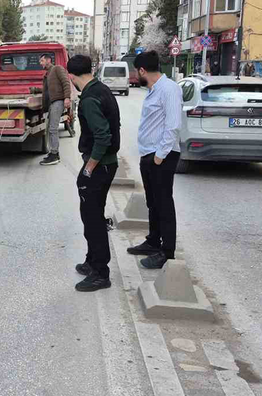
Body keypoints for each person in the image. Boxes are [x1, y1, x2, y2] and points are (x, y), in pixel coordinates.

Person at [67, 55, 121, 292]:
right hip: (106, 164)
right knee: (92, 214)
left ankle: (100, 273)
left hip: (99, 165)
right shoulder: (102, 89)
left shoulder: (89, 98)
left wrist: (89, 168)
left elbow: (103, 136)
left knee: (93, 220)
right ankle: (92, 261)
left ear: (71, 76)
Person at [127, 51, 183, 269]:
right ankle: (153, 241)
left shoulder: (169, 89)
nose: (135, 74)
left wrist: (160, 156)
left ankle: (167, 252)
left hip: (162, 155)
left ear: (142, 70)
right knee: (153, 202)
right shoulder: (153, 90)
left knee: (164, 204)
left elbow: (173, 125)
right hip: (149, 154)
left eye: (135, 70)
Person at [39, 53, 71, 166]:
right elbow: (46, 91)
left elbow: (66, 82)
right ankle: (53, 152)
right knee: (50, 129)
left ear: (48, 60)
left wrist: (67, 97)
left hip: (58, 101)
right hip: (53, 103)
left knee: (53, 129)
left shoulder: (57, 68)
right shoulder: (48, 74)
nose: (41, 63)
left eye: (42, 61)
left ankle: (54, 155)